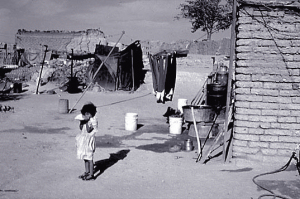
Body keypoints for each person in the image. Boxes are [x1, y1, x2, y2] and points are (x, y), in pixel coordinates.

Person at [75, 102, 98, 181]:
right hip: (84, 140)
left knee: (90, 158)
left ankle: (92, 175)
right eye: (85, 114)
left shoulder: (93, 121)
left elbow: (88, 130)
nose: (86, 115)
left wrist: (87, 122)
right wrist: (81, 123)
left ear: (91, 114)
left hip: (89, 141)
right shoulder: (85, 120)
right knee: (85, 157)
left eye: (88, 114)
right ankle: (87, 171)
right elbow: (81, 129)